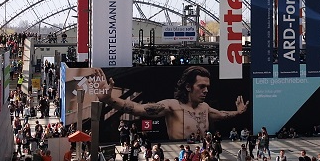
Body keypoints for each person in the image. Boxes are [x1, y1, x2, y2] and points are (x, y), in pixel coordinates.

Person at [96, 66, 249, 140]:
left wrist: (239, 112)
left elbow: (222, 114)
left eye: (207, 87)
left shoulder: (205, 107)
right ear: (188, 87)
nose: (206, 91)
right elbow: (138, 108)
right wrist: (109, 99)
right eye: (201, 86)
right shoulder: (172, 106)